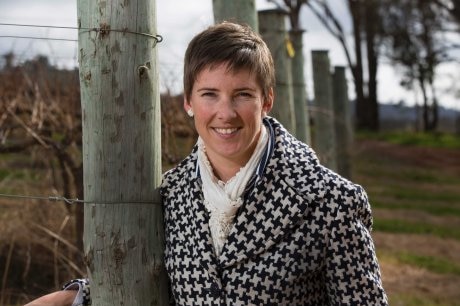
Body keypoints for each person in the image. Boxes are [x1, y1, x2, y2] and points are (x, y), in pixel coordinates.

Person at [25, 21, 388, 305]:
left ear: (266, 101)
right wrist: (77, 297)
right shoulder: (168, 195)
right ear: (188, 102)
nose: (225, 113)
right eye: (209, 94)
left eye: (243, 95)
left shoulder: (331, 202)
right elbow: (152, 283)